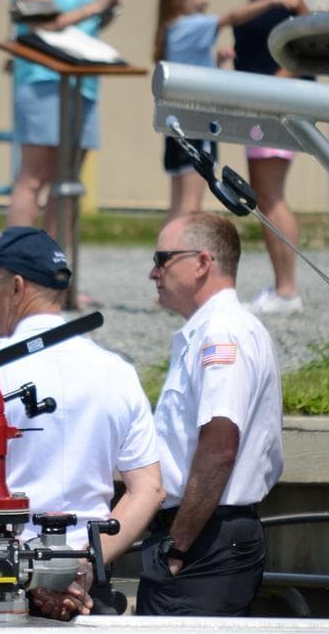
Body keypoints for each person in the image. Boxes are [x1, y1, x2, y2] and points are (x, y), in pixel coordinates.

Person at [0, 226, 163, 614]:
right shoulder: (116, 372)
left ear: (17, 287)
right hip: (89, 585)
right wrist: (85, 565)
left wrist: (32, 575)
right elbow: (149, 490)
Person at [137, 212, 283, 616]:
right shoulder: (210, 331)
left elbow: (219, 446)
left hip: (205, 540)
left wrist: (178, 546)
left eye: (162, 258)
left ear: (202, 263)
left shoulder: (222, 333)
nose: (153, 272)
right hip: (202, 534)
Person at [153, 0, 298, 223]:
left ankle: (166, 255)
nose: (205, 0)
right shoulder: (190, 25)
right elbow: (231, 17)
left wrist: (216, 64)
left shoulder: (172, 28)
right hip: (195, 127)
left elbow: (194, 72)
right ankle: (180, 256)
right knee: (191, 205)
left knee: (177, 202)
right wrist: (273, 0)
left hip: (175, 124)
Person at [6, 0, 119, 252]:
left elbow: (91, 20)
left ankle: (54, 275)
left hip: (84, 78)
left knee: (68, 183)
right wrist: (96, 5)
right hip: (43, 77)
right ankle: (15, 275)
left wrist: (108, 7)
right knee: (35, 178)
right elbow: (41, 22)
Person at [234, 0, 314, 315]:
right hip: (260, 98)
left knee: (270, 195)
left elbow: (309, 32)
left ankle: (286, 290)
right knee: (265, 195)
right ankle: (284, 287)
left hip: (277, 99)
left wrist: (276, 85)